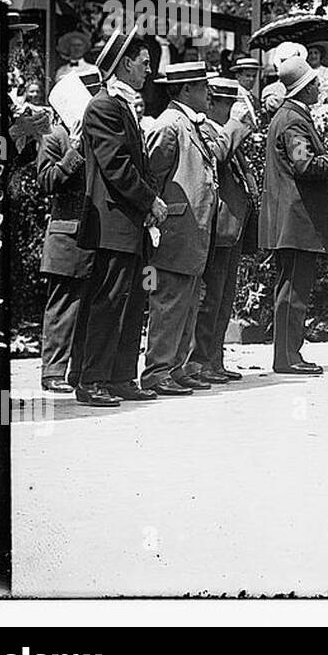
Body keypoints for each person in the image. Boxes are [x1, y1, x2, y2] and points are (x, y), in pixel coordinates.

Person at [72, 33, 168, 407]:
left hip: (131, 223)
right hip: (114, 224)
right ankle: (91, 379)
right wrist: (151, 201)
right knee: (109, 301)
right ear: (125, 63)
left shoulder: (123, 106)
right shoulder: (104, 106)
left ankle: (120, 376)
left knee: (132, 301)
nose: (149, 70)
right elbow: (117, 167)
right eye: (144, 62)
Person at [258, 53, 328, 374]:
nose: (318, 86)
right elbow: (305, 164)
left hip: (290, 220)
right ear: (304, 88)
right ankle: (287, 357)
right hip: (296, 221)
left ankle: (287, 354)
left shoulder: (288, 117)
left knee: (290, 286)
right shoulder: (294, 121)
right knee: (293, 289)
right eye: (314, 83)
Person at [141, 62, 223, 395]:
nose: (209, 93)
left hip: (192, 230)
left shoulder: (186, 123)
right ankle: (158, 370)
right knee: (170, 301)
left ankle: (175, 367)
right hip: (175, 229)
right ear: (186, 90)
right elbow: (153, 176)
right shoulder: (170, 124)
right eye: (204, 87)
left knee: (187, 301)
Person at [184, 77, 258, 385]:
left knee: (225, 296)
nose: (233, 112)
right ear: (212, 103)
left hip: (232, 226)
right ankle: (199, 361)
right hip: (215, 226)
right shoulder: (205, 130)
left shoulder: (226, 132)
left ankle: (214, 357)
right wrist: (235, 128)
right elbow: (216, 156)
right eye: (227, 105)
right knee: (210, 297)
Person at [35, 64, 103, 393]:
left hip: (92, 232)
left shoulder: (93, 136)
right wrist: (72, 155)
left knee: (88, 304)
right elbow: (46, 181)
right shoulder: (54, 136)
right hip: (66, 231)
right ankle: (52, 371)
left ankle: (77, 371)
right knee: (63, 304)